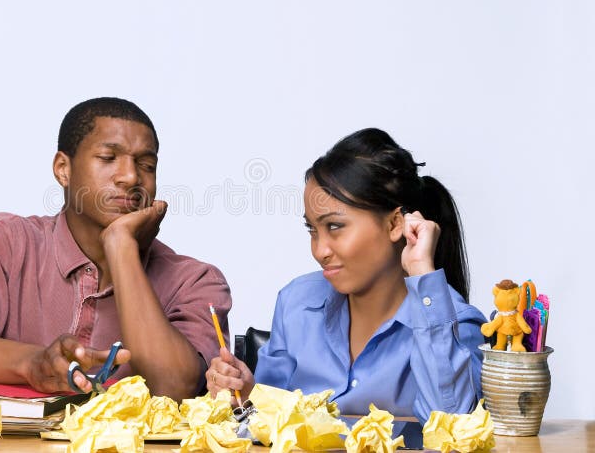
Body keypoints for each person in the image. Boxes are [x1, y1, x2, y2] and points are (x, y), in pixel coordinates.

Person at [0, 97, 232, 401]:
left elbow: (176, 387)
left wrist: (122, 249)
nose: (131, 177)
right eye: (108, 158)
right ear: (63, 169)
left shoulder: (195, 280)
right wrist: (34, 364)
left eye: (146, 164)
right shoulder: (7, 242)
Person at [206, 128, 485, 423]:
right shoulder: (295, 304)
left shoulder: (453, 321)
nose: (319, 250)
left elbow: (454, 428)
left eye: (335, 227)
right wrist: (245, 397)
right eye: (313, 230)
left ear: (395, 224)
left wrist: (422, 273)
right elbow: (266, 430)